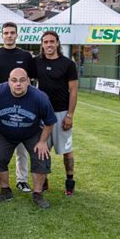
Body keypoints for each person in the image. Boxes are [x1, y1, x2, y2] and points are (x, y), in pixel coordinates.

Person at [0, 68, 57, 209]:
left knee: (42, 156)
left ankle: (37, 194)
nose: (18, 84)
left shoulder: (40, 97)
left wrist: (43, 142)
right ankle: (5, 190)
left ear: (29, 82)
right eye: (14, 80)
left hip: (32, 133)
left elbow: (50, 122)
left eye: (22, 80)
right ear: (8, 82)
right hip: (5, 133)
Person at [0, 22, 36, 193]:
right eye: (6, 33)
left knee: (21, 146)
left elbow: (33, 80)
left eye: (12, 32)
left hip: (23, 105)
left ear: (16, 35)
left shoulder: (25, 56)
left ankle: (22, 180)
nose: (9, 35)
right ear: (2, 35)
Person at [34, 31, 78, 195]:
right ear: (42, 44)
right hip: (42, 114)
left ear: (58, 43)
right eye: (45, 42)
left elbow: (73, 91)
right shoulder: (36, 62)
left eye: (52, 41)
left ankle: (69, 181)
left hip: (61, 113)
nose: (49, 45)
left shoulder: (68, 64)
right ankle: (44, 182)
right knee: (42, 149)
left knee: (66, 150)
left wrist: (70, 115)